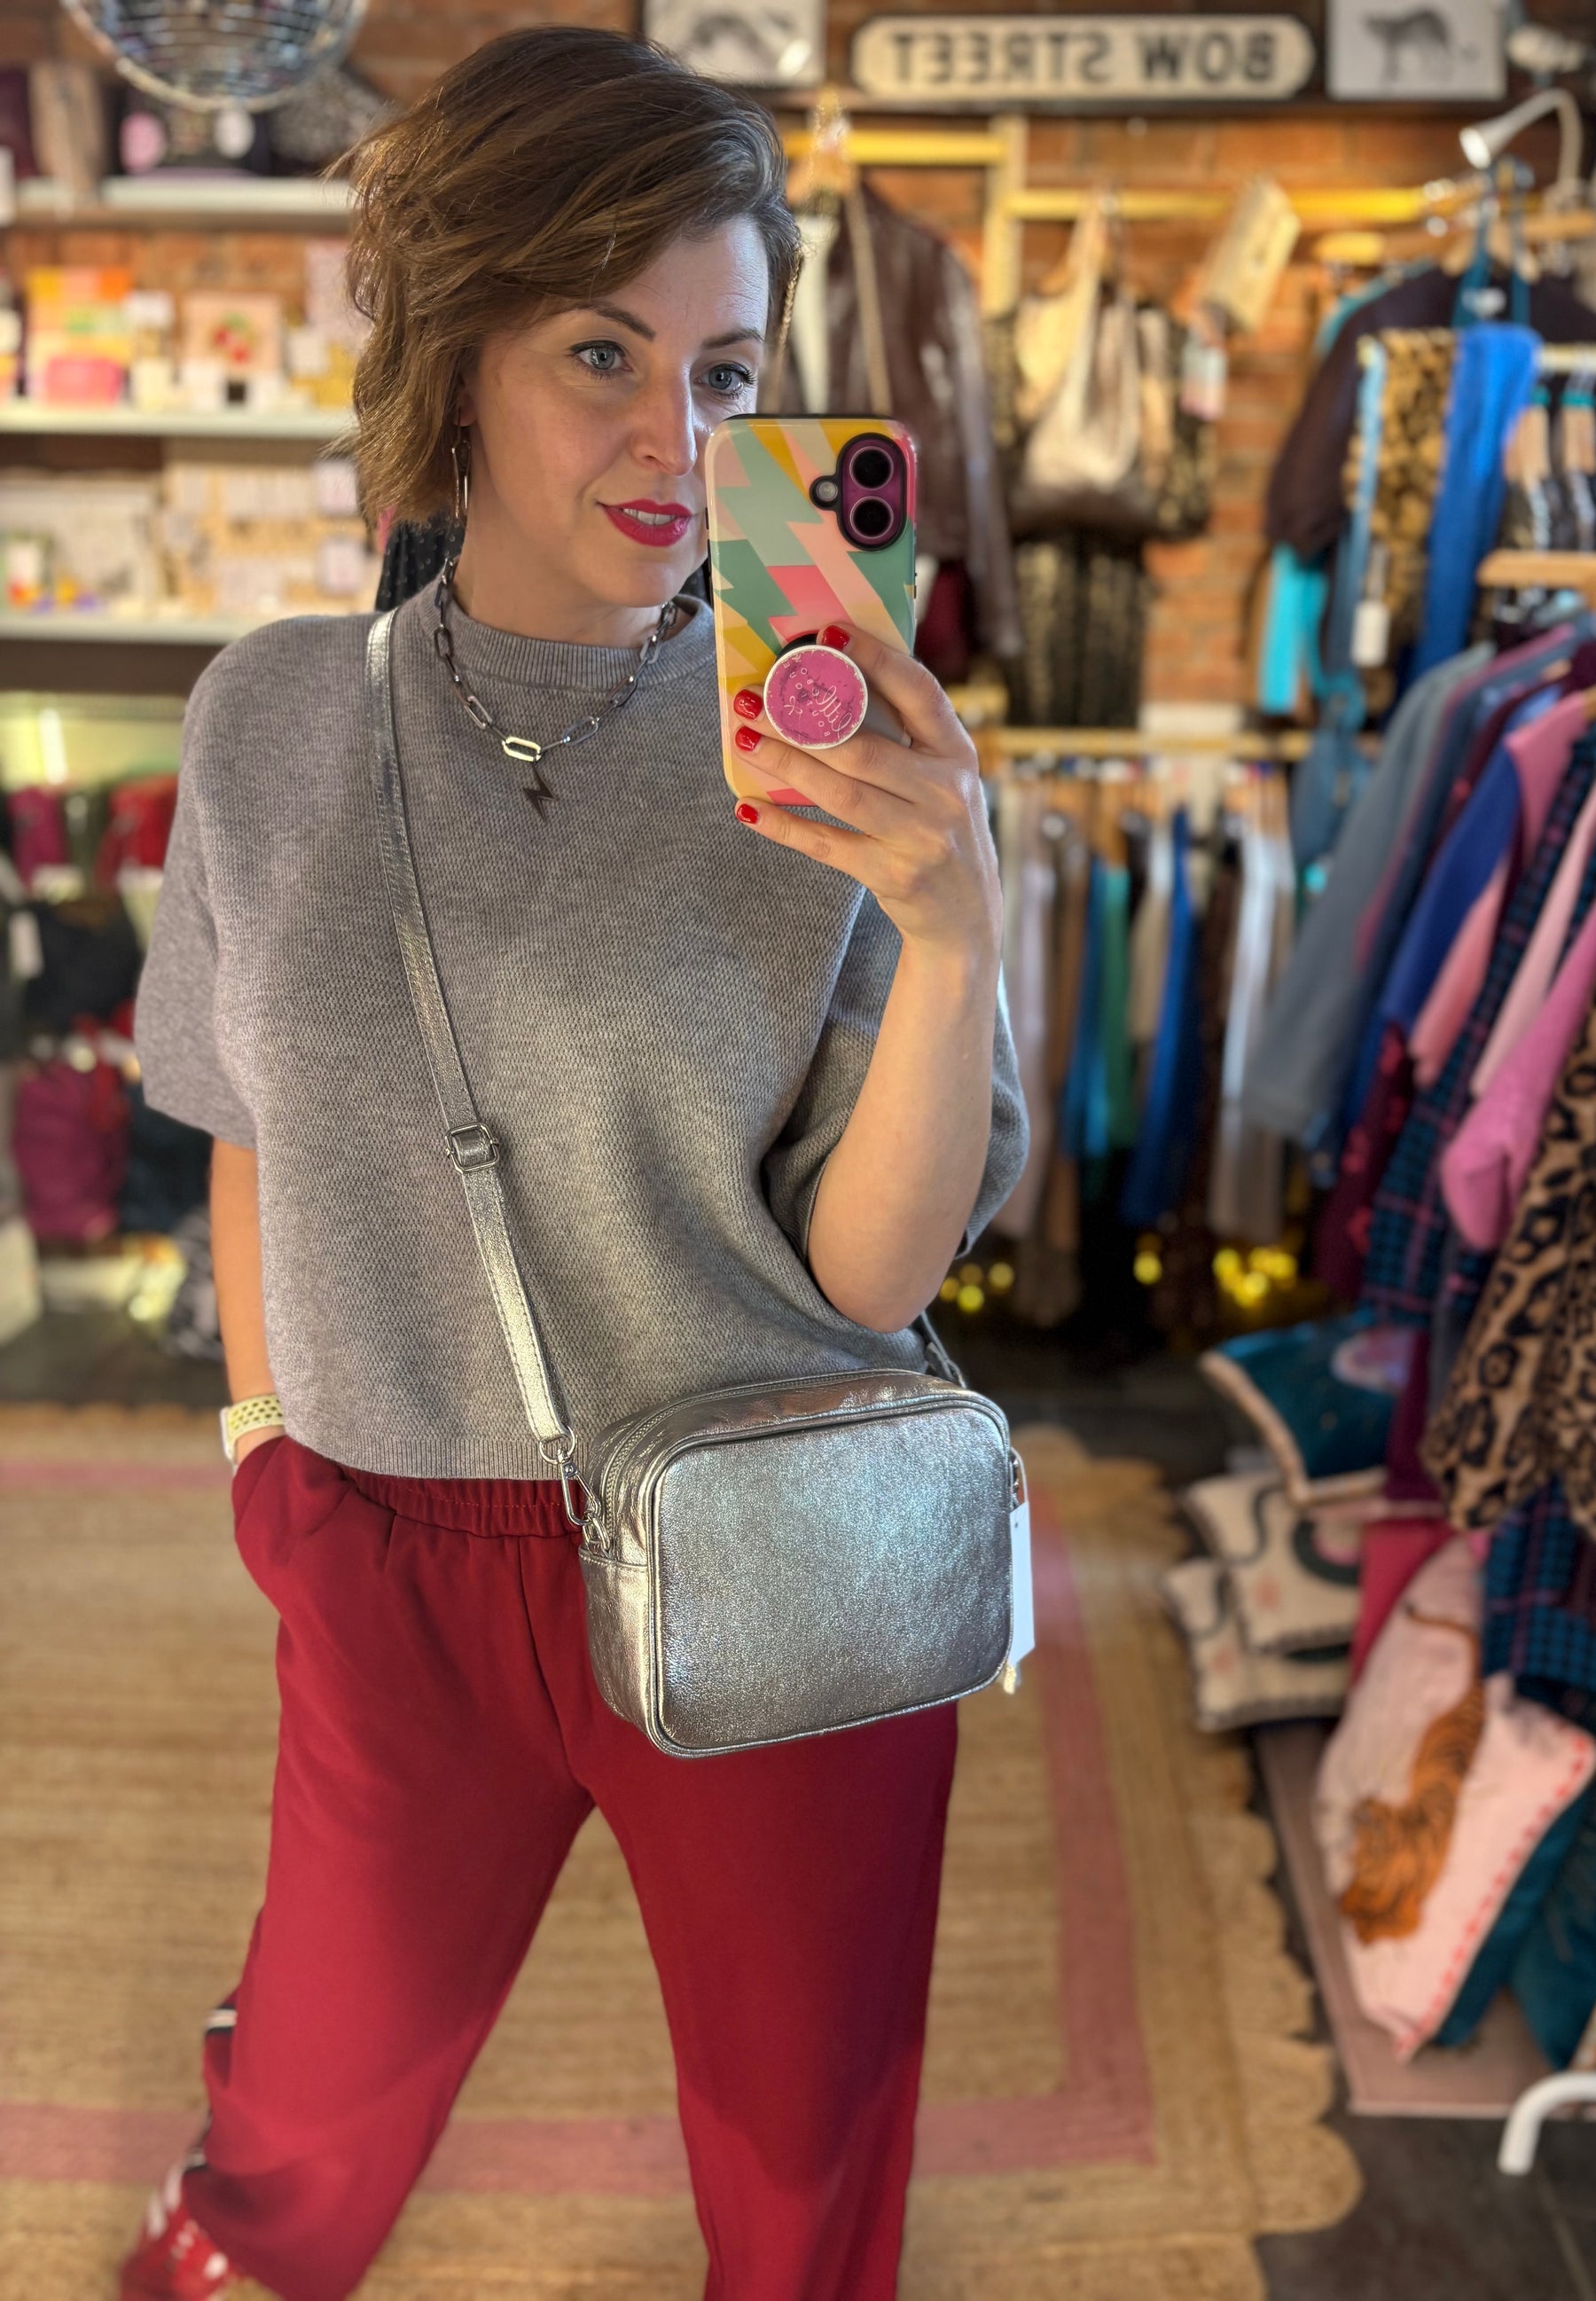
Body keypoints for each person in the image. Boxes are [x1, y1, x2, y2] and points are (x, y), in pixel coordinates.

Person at [119, 27, 1029, 2301]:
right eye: (599, 350)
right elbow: (238, 1106)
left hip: (773, 1510)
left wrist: (950, 933)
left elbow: (862, 1262)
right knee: (314, 2092)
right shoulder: (272, 720)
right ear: (458, 359)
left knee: (798, 2132)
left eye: (725, 373)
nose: (670, 438)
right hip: (394, 1540)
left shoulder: (832, 751)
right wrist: (262, 1436)